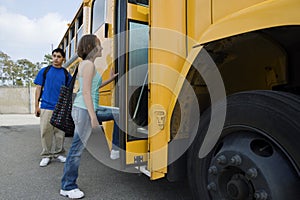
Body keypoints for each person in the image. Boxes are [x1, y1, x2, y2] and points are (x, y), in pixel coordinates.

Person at [60, 34, 119, 199]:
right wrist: (93, 117)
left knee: (118, 114)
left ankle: (115, 149)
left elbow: (93, 87)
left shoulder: (87, 65)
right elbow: (85, 91)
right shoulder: (88, 65)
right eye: (99, 45)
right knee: (77, 150)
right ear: (91, 47)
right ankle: (68, 186)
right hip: (84, 110)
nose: (101, 48)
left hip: (88, 108)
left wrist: (109, 80)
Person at [34, 48, 72, 167]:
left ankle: (59, 153)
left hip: (60, 108)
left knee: (60, 133)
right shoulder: (44, 71)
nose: (56, 58)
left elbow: (69, 91)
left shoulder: (66, 74)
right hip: (46, 106)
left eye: (59, 56)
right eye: (54, 56)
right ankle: (46, 155)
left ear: (63, 59)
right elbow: (38, 89)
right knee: (45, 131)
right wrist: (36, 106)